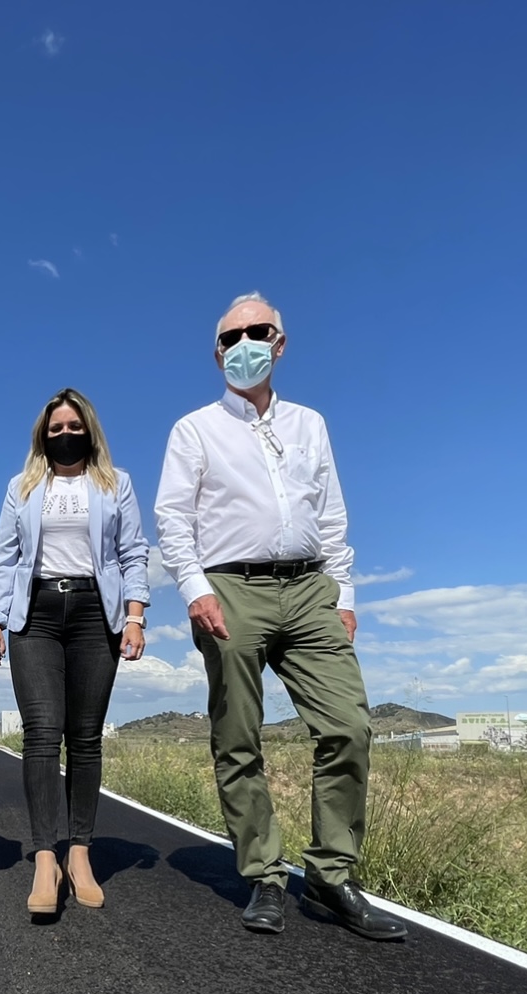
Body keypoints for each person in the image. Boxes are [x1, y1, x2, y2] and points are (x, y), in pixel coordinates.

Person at [154, 292, 406, 941]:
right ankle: (264, 874)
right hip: (229, 588)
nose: (244, 345)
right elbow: (172, 518)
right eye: (231, 338)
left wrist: (342, 595)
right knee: (239, 735)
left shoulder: (308, 424)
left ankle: (329, 874)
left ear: (281, 342)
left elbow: (331, 513)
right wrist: (194, 589)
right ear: (216, 353)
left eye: (257, 332)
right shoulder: (194, 429)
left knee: (348, 725)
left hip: (308, 588)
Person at [0, 388, 150, 916]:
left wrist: (135, 616)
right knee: (41, 731)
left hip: (93, 615)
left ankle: (80, 853)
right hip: (33, 614)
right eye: (54, 427)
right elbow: (5, 555)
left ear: (88, 428)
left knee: (84, 737)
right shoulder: (24, 485)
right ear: (43, 433)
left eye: (72, 425)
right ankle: (45, 859)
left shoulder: (114, 483)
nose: (63, 434)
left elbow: (133, 552)